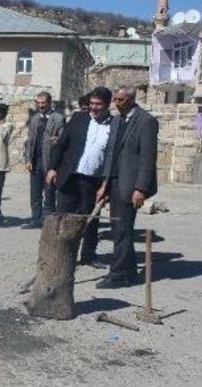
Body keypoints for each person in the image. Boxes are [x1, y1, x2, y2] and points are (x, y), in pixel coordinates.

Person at [96, 86, 159, 289]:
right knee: (118, 229)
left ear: (131, 100)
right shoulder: (117, 120)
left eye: (120, 100)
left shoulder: (146, 121)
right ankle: (130, 272)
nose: (116, 103)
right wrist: (104, 184)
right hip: (114, 182)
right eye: (115, 99)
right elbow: (111, 153)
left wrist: (141, 188)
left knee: (122, 229)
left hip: (131, 185)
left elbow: (148, 158)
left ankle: (117, 275)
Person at [47, 87, 115, 268]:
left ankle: (88, 255)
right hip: (70, 176)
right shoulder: (79, 119)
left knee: (90, 219)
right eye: (92, 103)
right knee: (63, 216)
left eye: (98, 104)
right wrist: (52, 168)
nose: (94, 107)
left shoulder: (115, 125)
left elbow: (114, 157)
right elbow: (61, 145)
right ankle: (59, 254)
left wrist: (106, 185)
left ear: (108, 104)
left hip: (93, 180)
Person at [22, 91, 64, 229]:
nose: (40, 106)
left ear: (49, 103)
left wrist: (57, 140)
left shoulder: (58, 118)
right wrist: (28, 159)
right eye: (38, 103)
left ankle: (48, 222)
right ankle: (35, 219)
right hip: (35, 161)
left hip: (50, 162)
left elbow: (63, 139)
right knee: (35, 193)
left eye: (43, 103)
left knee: (49, 192)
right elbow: (29, 141)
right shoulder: (34, 118)